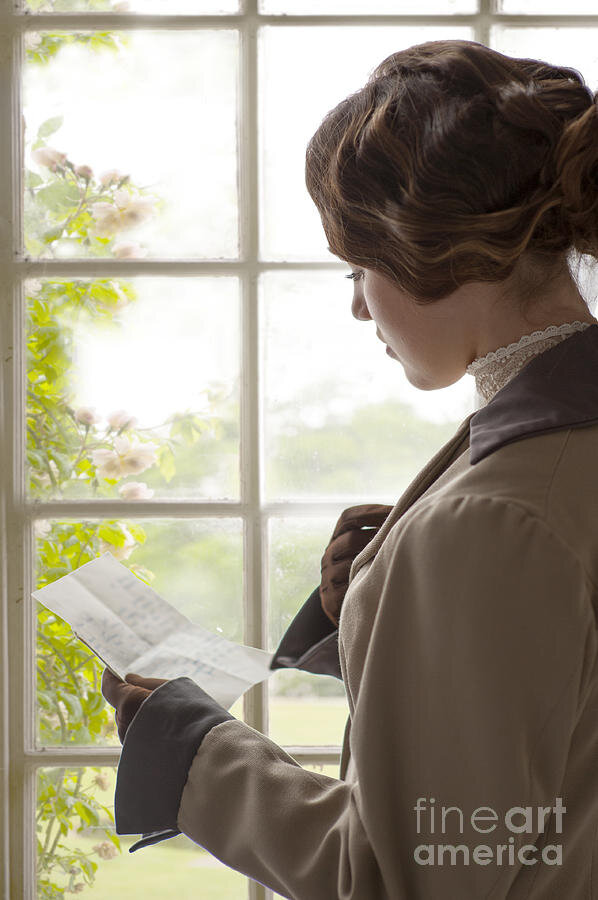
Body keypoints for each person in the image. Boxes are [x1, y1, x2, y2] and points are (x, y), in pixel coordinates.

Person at [101, 38, 598, 897]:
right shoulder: (545, 462)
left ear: (431, 250)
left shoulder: (488, 519)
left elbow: (414, 879)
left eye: (358, 264)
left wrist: (192, 751)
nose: (360, 301)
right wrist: (380, 610)